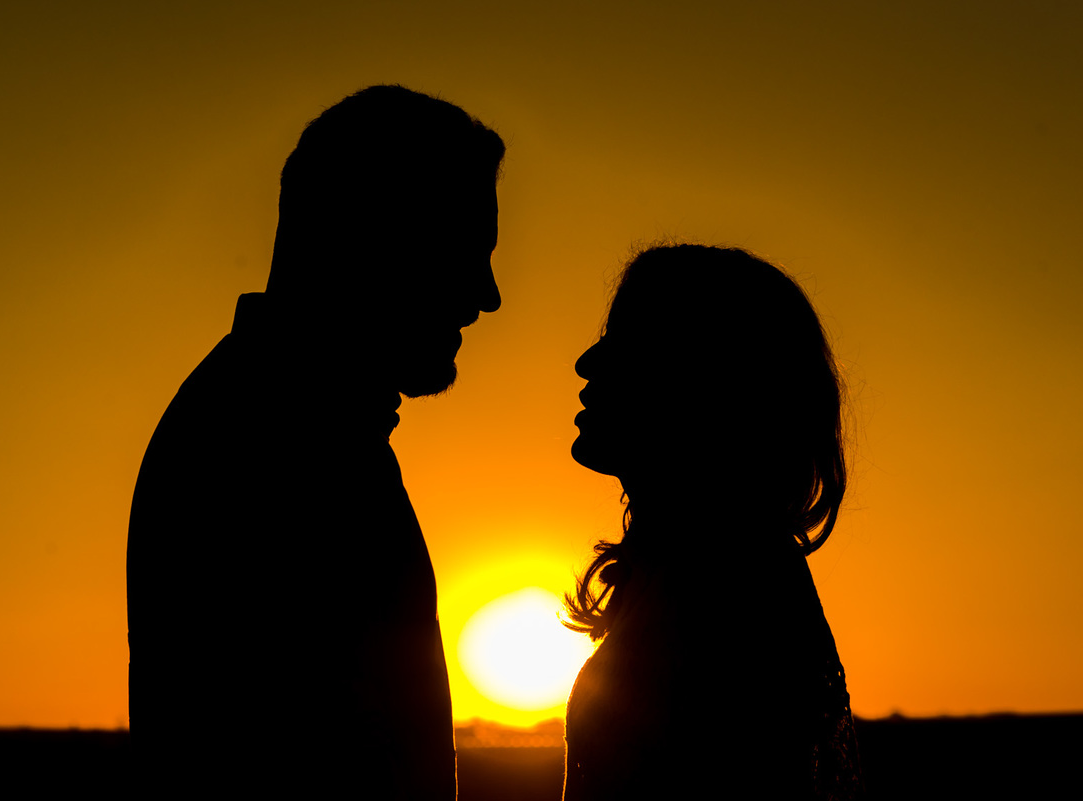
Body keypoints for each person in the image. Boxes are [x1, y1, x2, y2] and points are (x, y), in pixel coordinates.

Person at [126, 85, 504, 797]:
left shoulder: (302, 427)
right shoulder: (269, 449)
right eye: (463, 249)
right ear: (371, 237)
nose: (486, 295)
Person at [562, 245, 863, 799]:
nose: (587, 363)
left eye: (624, 342)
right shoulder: (685, 576)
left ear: (698, 379)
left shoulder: (731, 591)